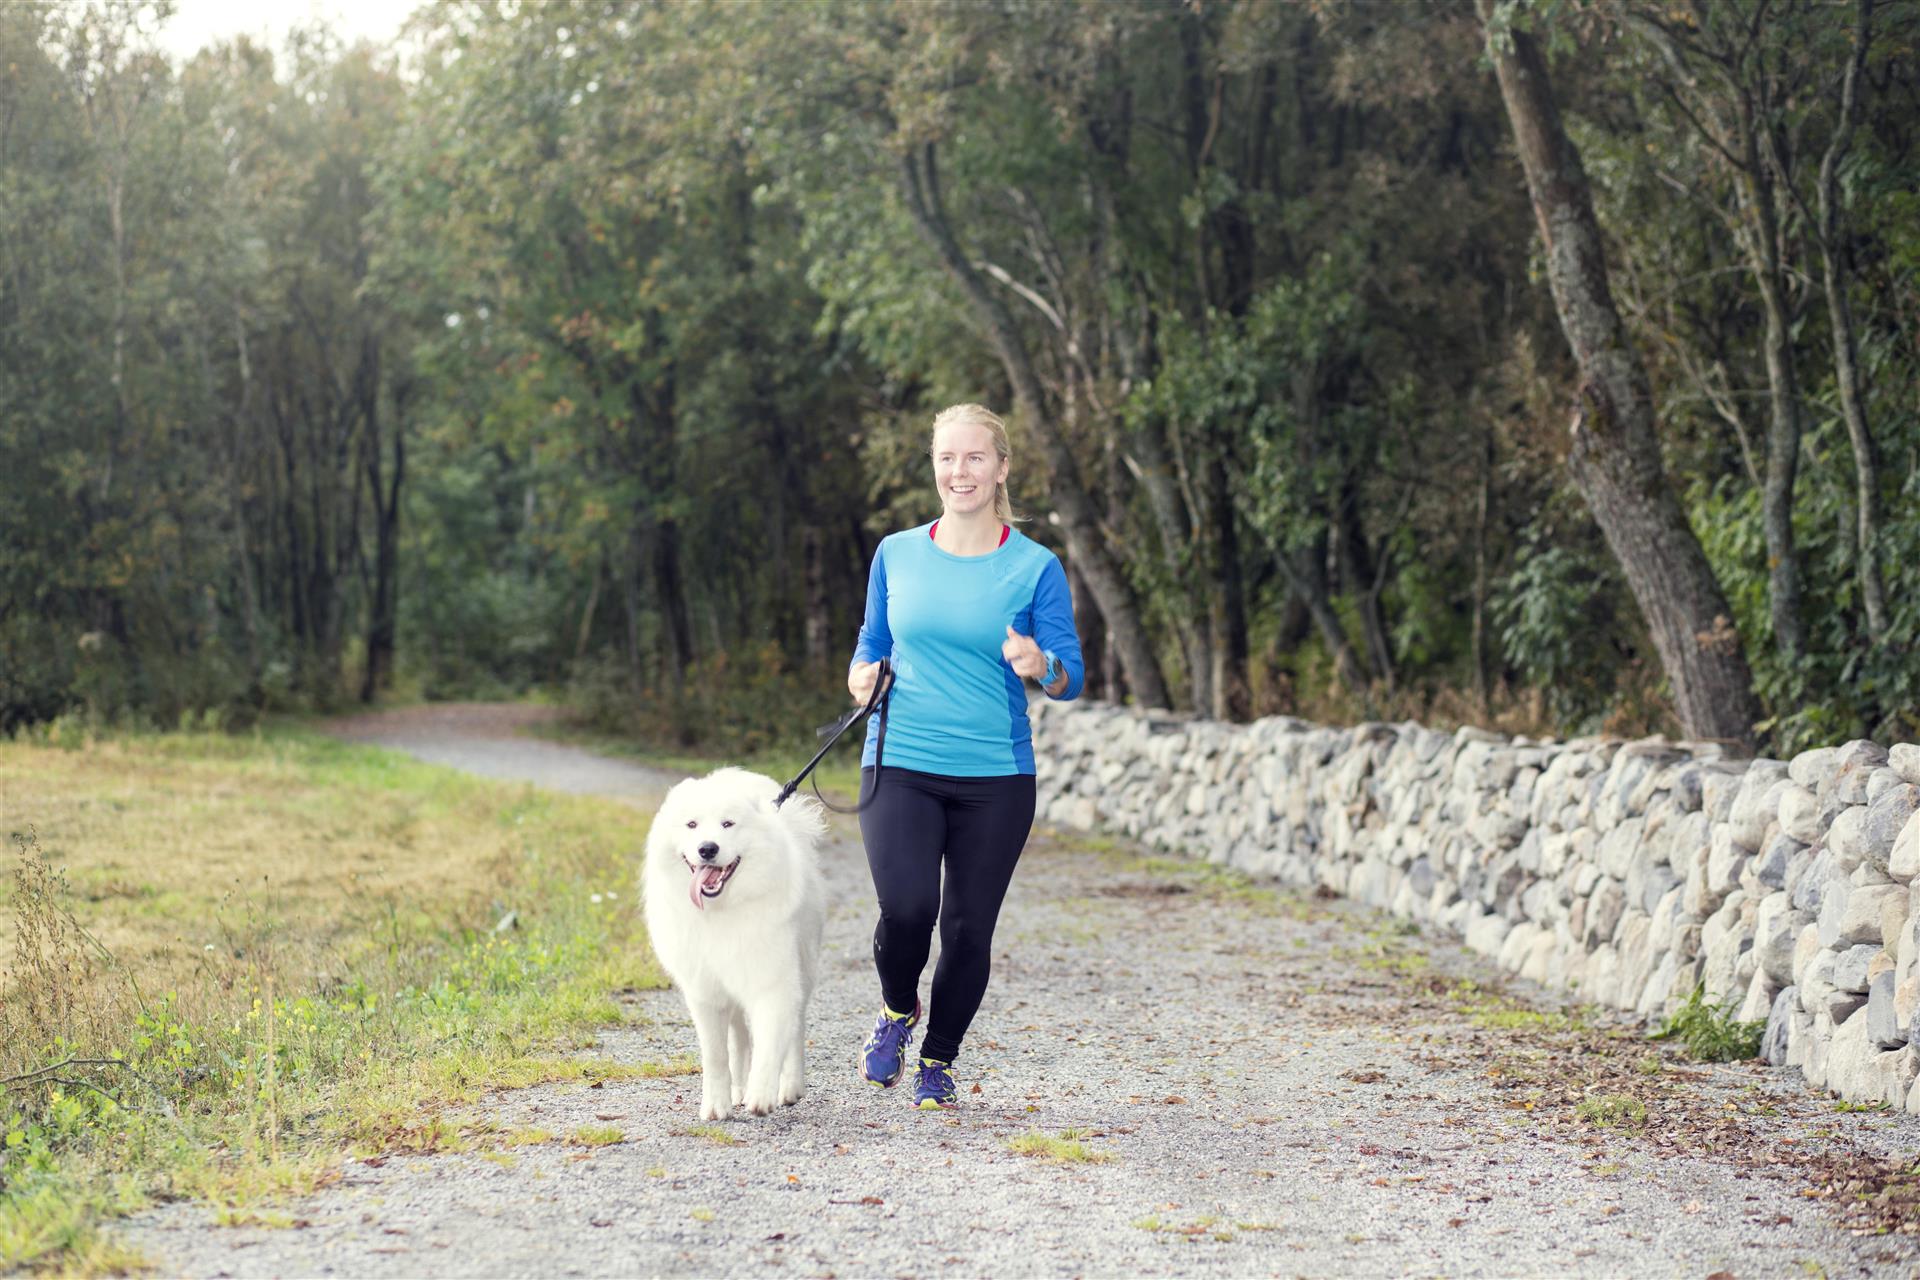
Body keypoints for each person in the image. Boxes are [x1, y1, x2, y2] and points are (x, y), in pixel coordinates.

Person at [846, 402, 1084, 1110]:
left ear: (1001, 468)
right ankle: (895, 1012)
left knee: (968, 928)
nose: (961, 471)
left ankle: (938, 1060)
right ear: (934, 466)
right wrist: (862, 677)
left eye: (976, 457)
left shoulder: (1035, 566)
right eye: (948, 458)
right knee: (908, 908)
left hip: (996, 777)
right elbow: (870, 645)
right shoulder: (896, 552)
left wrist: (1040, 663)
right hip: (901, 760)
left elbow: (1068, 678)